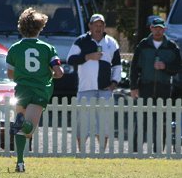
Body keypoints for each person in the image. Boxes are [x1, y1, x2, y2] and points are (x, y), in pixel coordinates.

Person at [6, 8, 64, 172]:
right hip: (39, 91)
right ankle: (21, 125)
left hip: (21, 90)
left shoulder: (14, 48)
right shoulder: (47, 48)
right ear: (40, 27)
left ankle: (20, 162)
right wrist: (48, 75)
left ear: (21, 27)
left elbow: (10, 75)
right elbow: (59, 73)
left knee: (20, 130)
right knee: (29, 129)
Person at [67, 13, 122, 151]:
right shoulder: (81, 41)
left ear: (104, 26)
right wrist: (87, 57)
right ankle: (81, 152)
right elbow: (70, 60)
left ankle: (102, 152)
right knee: (83, 121)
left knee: (104, 122)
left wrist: (114, 82)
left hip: (105, 89)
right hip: (85, 88)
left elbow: (117, 65)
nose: (98, 27)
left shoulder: (111, 43)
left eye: (101, 25)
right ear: (90, 26)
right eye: (95, 25)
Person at [130, 17, 181, 152]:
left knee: (161, 120)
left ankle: (158, 150)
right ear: (151, 28)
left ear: (165, 29)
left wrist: (165, 66)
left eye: (160, 28)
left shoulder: (172, 46)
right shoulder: (143, 45)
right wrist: (133, 87)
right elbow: (134, 67)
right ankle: (136, 150)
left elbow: (178, 67)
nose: (157, 31)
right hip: (145, 86)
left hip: (164, 87)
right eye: (155, 28)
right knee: (142, 118)